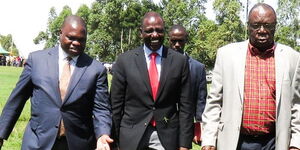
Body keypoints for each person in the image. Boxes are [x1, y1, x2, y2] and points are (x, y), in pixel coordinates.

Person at [0, 15, 113, 150]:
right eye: (71, 38)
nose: (76, 43)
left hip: (77, 144)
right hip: (38, 142)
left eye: (81, 40)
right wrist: (1, 134)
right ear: (60, 34)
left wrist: (102, 134)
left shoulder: (96, 69)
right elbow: (17, 100)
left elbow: (101, 109)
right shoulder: (37, 60)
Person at [201, 3, 300, 150]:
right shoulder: (226, 55)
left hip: (275, 142)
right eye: (256, 25)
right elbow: (214, 101)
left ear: (275, 26)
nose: (262, 31)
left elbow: (296, 105)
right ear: (248, 26)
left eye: (268, 25)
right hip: (236, 141)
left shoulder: (292, 58)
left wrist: (296, 143)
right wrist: (209, 139)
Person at [110, 12, 194, 150]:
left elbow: (186, 106)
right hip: (131, 136)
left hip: (167, 137)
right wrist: (115, 141)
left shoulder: (179, 61)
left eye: (159, 30)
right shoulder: (124, 61)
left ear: (164, 31)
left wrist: (184, 144)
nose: (154, 35)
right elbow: (116, 105)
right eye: (149, 31)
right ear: (140, 32)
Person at [168, 25, 207, 144]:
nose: (177, 45)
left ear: (186, 41)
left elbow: (201, 100)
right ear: (168, 40)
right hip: (164, 124)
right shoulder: (160, 64)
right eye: (174, 41)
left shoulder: (198, 68)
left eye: (181, 41)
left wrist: (198, 127)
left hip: (187, 125)